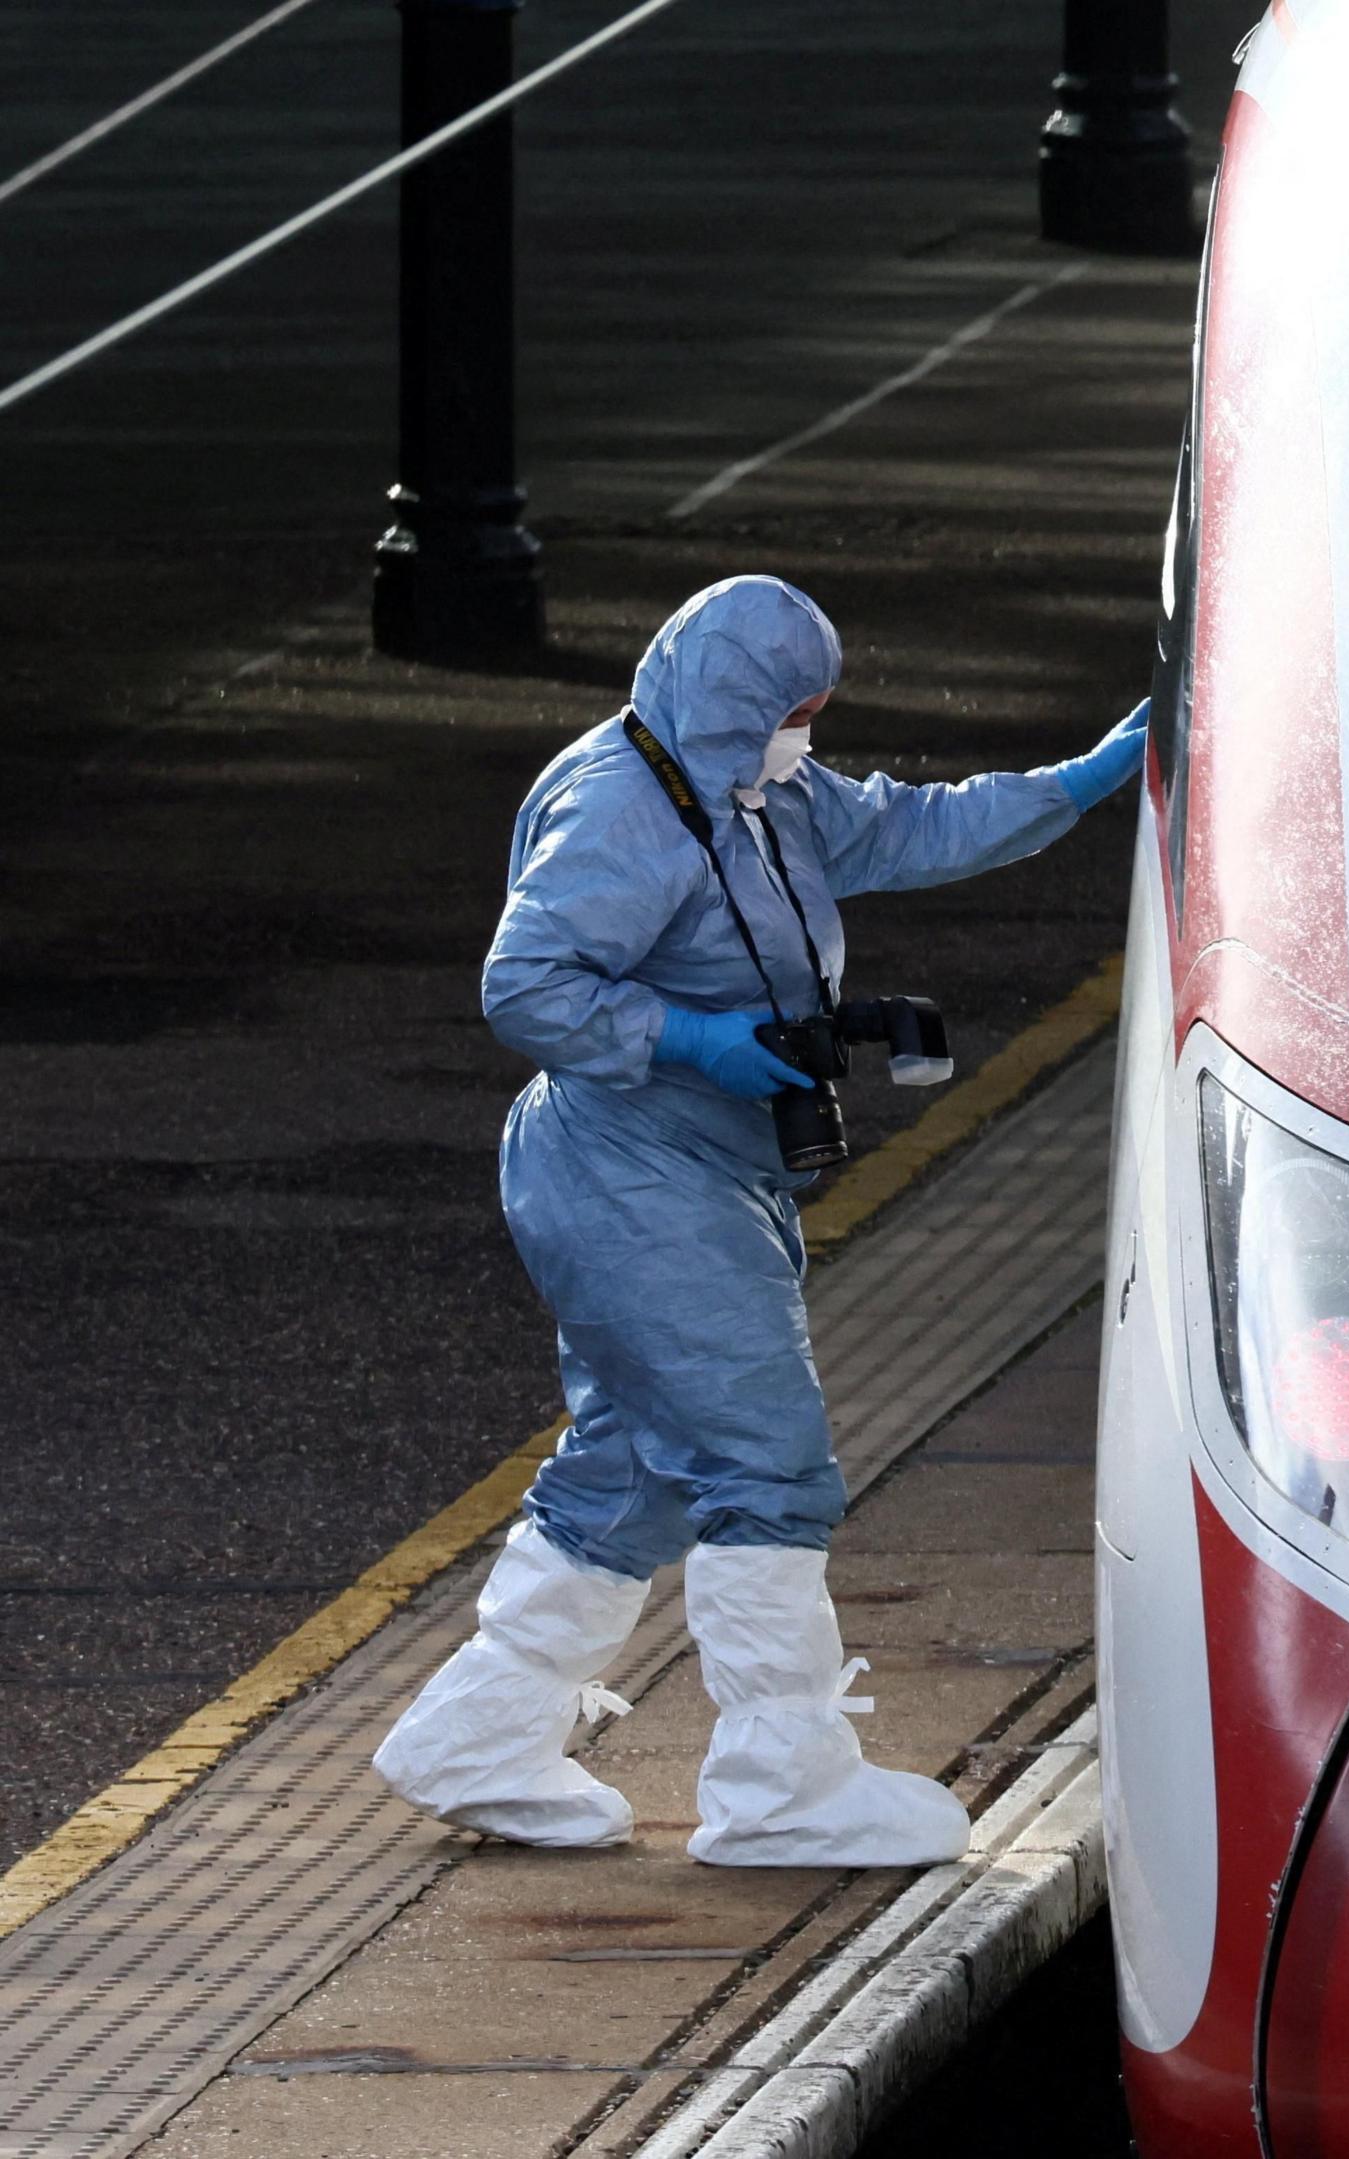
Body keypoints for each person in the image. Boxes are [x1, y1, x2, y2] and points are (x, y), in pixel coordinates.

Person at [374, 575, 1147, 1867]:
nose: (811, 734)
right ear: (742, 702)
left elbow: (915, 829)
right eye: (797, 709)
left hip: (687, 1173)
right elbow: (525, 985)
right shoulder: (625, 808)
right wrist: (687, 1039)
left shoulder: (763, 789)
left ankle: (478, 1734)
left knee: (633, 1470)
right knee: (766, 1461)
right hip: (632, 1176)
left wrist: (1078, 782)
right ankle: (781, 1779)